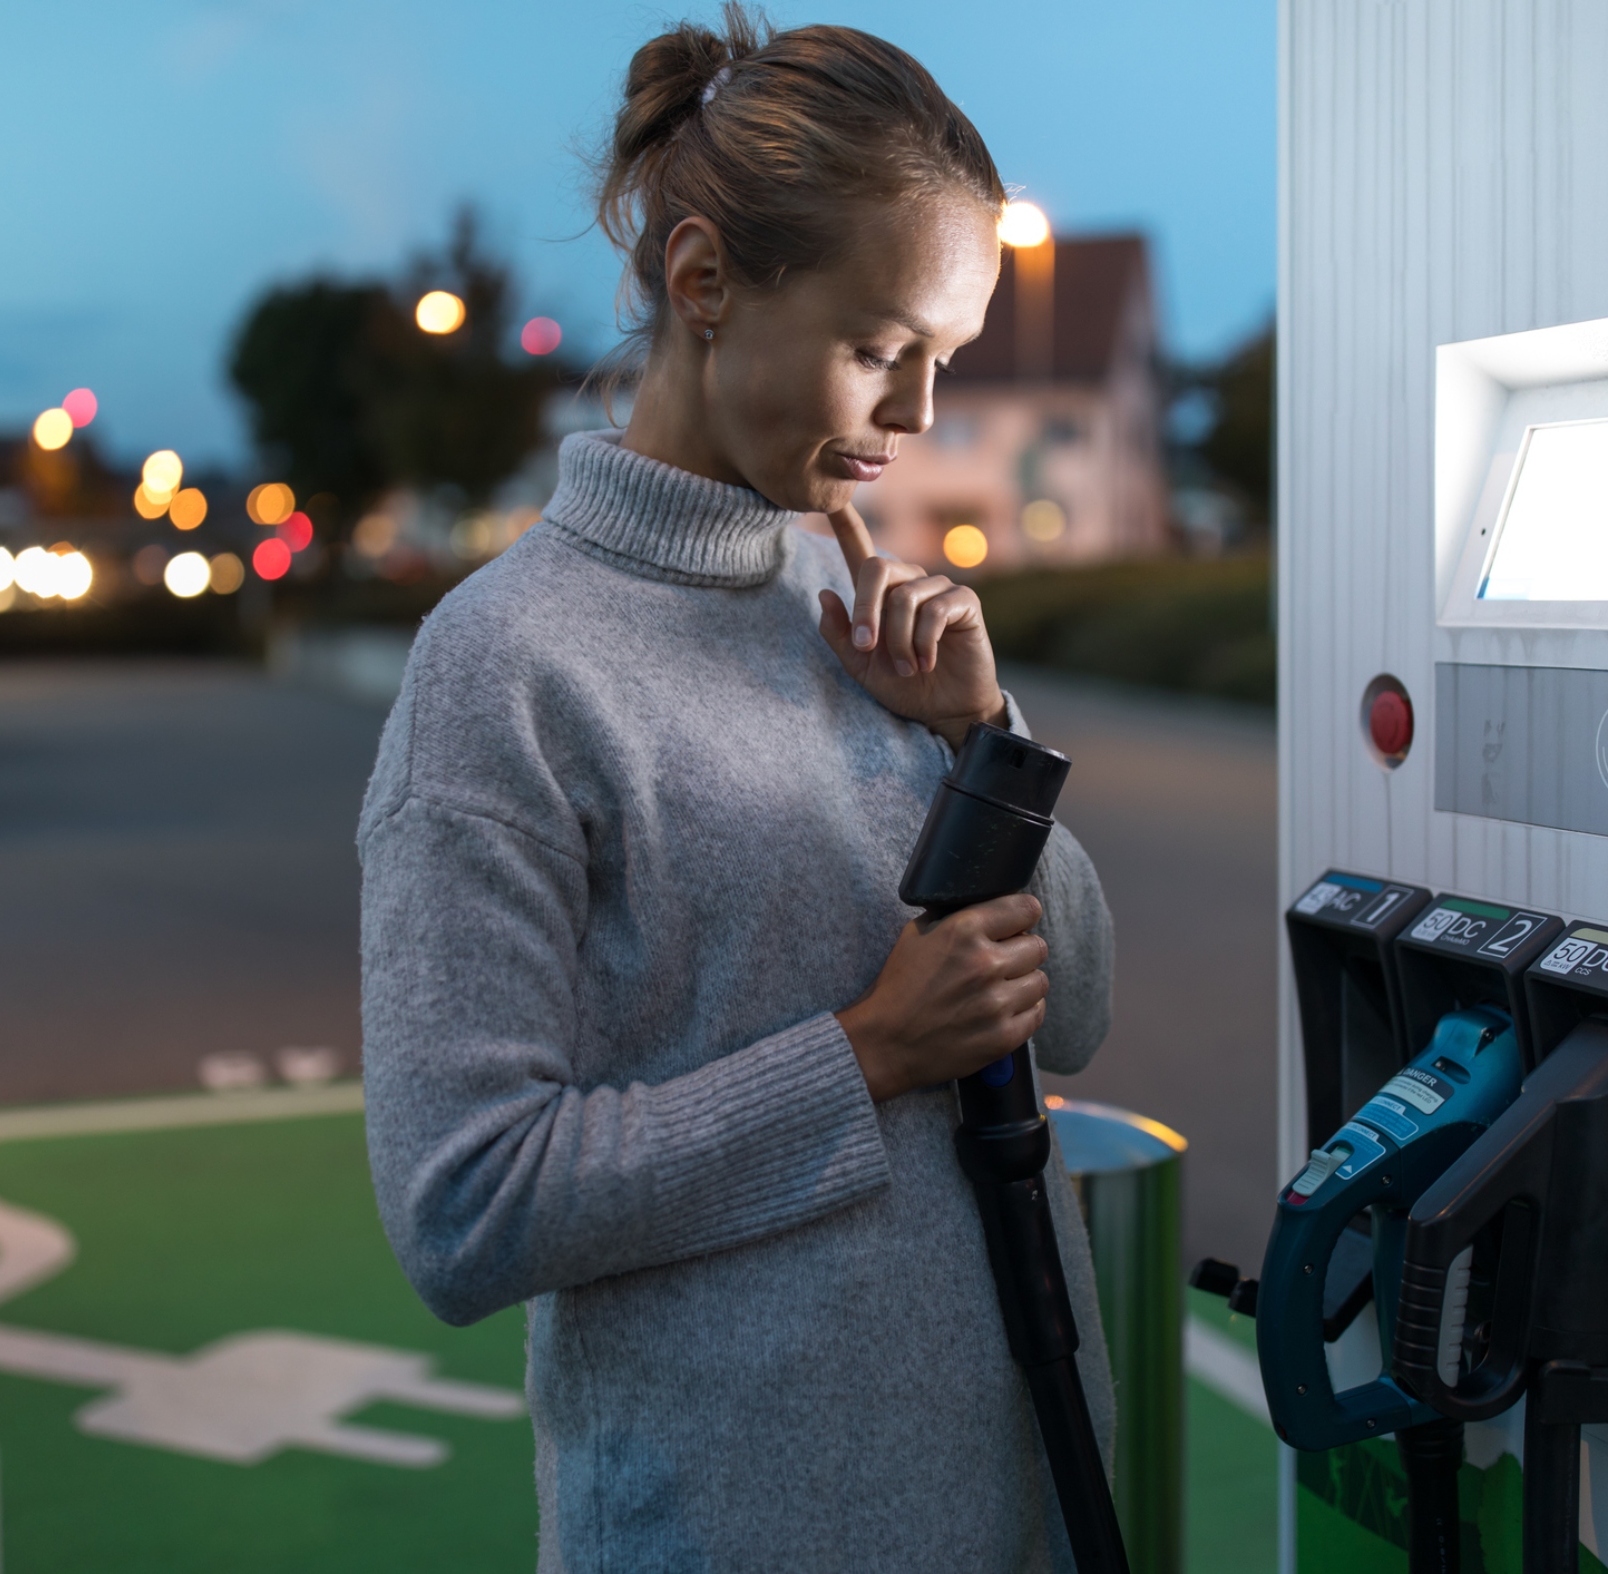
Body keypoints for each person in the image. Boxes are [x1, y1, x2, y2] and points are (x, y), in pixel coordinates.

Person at [357, 10, 1116, 1571]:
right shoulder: (504, 667)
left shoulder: (864, 610)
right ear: (704, 283)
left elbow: (1079, 1003)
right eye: (878, 350)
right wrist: (867, 1054)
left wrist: (986, 737)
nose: (914, 421)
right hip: (729, 1527)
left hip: (1020, 1498)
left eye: (944, 364)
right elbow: (465, 1204)